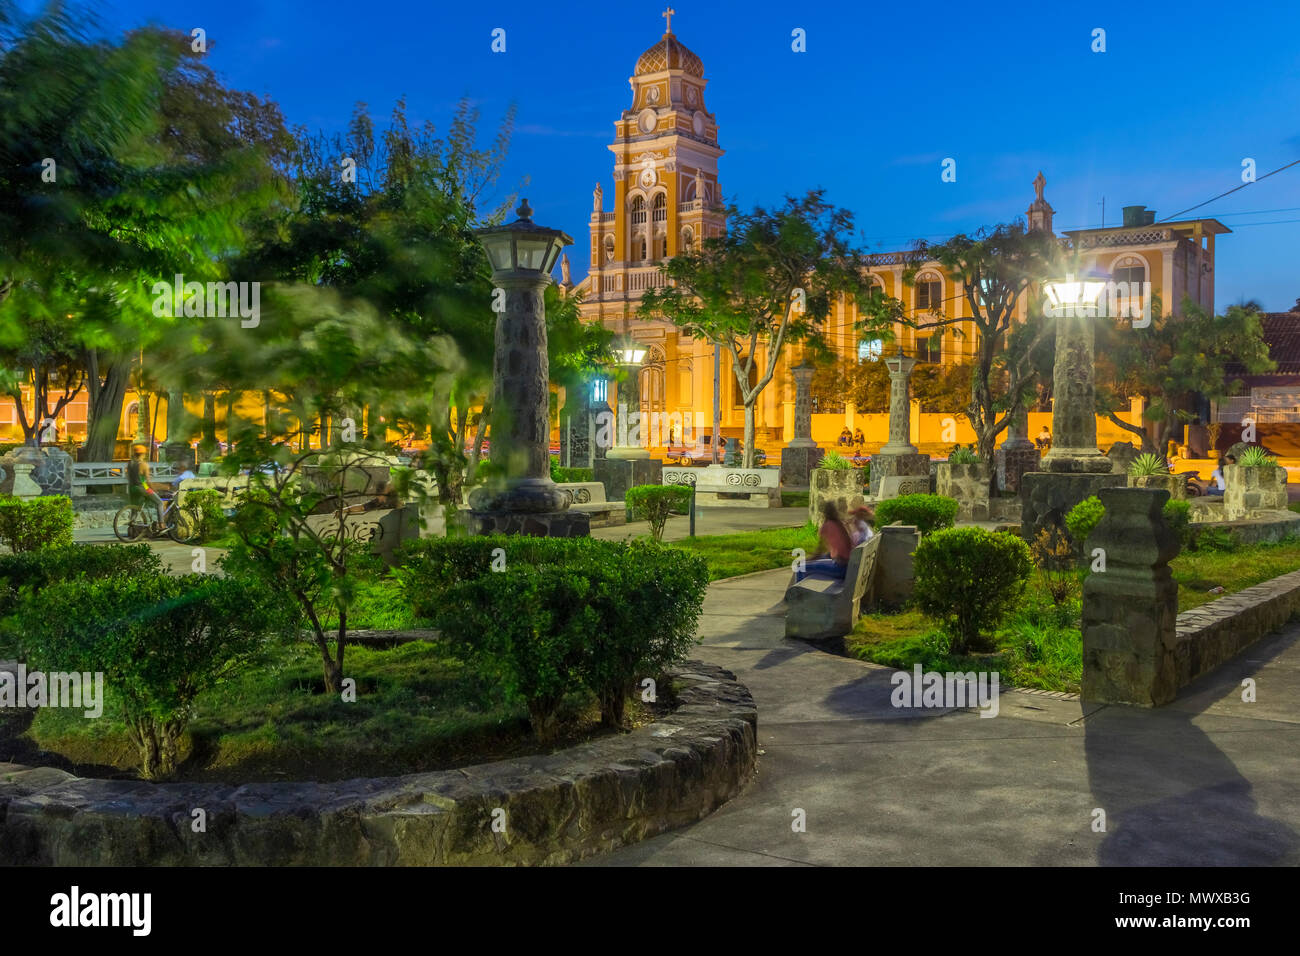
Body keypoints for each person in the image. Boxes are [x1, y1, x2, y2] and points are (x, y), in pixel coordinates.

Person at [796, 501, 853, 582]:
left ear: (824, 513)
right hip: (848, 567)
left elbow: (818, 552)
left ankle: (798, 593)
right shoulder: (841, 524)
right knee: (825, 556)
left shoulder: (826, 526)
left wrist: (806, 560)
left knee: (800, 568)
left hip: (839, 569)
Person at [126, 444, 167, 530]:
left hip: (132, 488)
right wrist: (153, 489)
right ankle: (161, 524)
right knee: (159, 502)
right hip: (142, 488)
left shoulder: (130, 464)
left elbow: (128, 477)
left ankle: (132, 528)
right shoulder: (144, 465)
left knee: (135, 508)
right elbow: (147, 481)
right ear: (143, 454)